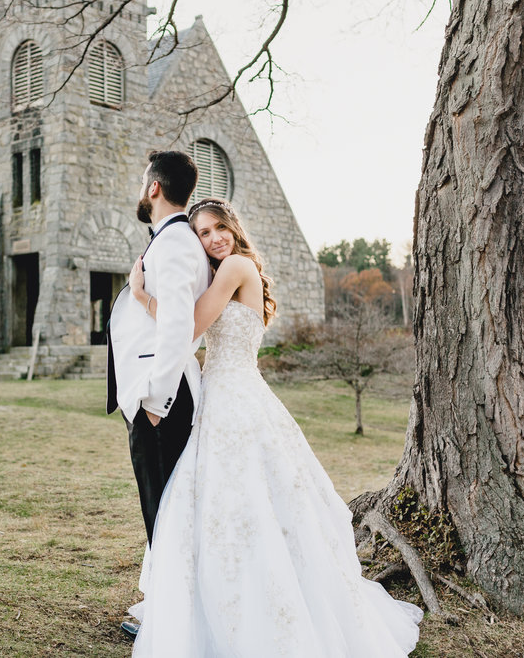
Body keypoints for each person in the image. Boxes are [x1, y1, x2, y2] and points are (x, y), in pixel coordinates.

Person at [125, 198, 423, 656]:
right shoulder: (227, 272)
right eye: (203, 233)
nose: (213, 238)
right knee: (230, 505)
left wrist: (140, 294)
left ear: (233, 227)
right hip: (224, 395)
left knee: (240, 504)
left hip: (234, 400)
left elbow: (187, 327)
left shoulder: (234, 267)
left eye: (219, 227)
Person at [105, 151, 211, 638]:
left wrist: (154, 401)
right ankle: (171, 610)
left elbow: (176, 327)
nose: (140, 185)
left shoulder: (173, 244)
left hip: (161, 400)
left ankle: (175, 622)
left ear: (154, 188)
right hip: (160, 396)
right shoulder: (174, 240)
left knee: (163, 511)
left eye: (142, 179)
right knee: (167, 511)